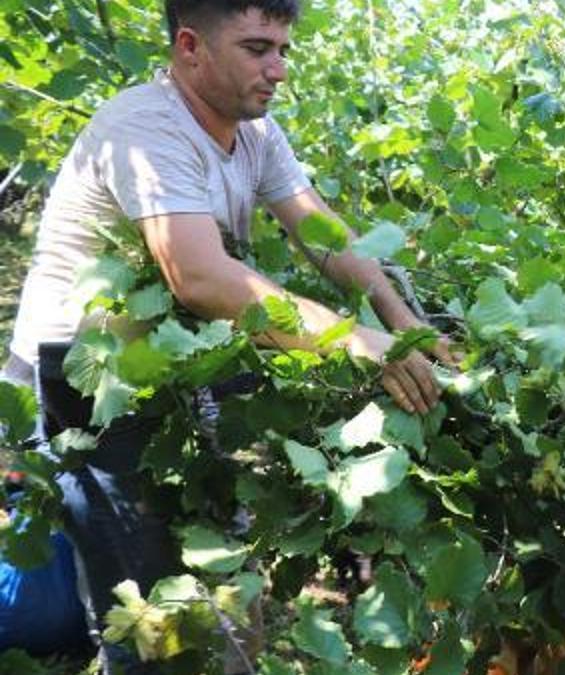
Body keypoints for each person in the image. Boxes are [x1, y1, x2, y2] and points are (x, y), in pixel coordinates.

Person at [0, 0, 454, 670]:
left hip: (176, 363)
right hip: (83, 379)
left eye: (283, 50)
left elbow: (321, 233)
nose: (277, 69)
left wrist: (403, 322)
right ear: (190, 46)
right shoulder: (145, 127)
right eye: (256, 48)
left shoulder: (255, 131)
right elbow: (201, 278)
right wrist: (356, 339)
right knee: (153, 612)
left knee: (223, 573)